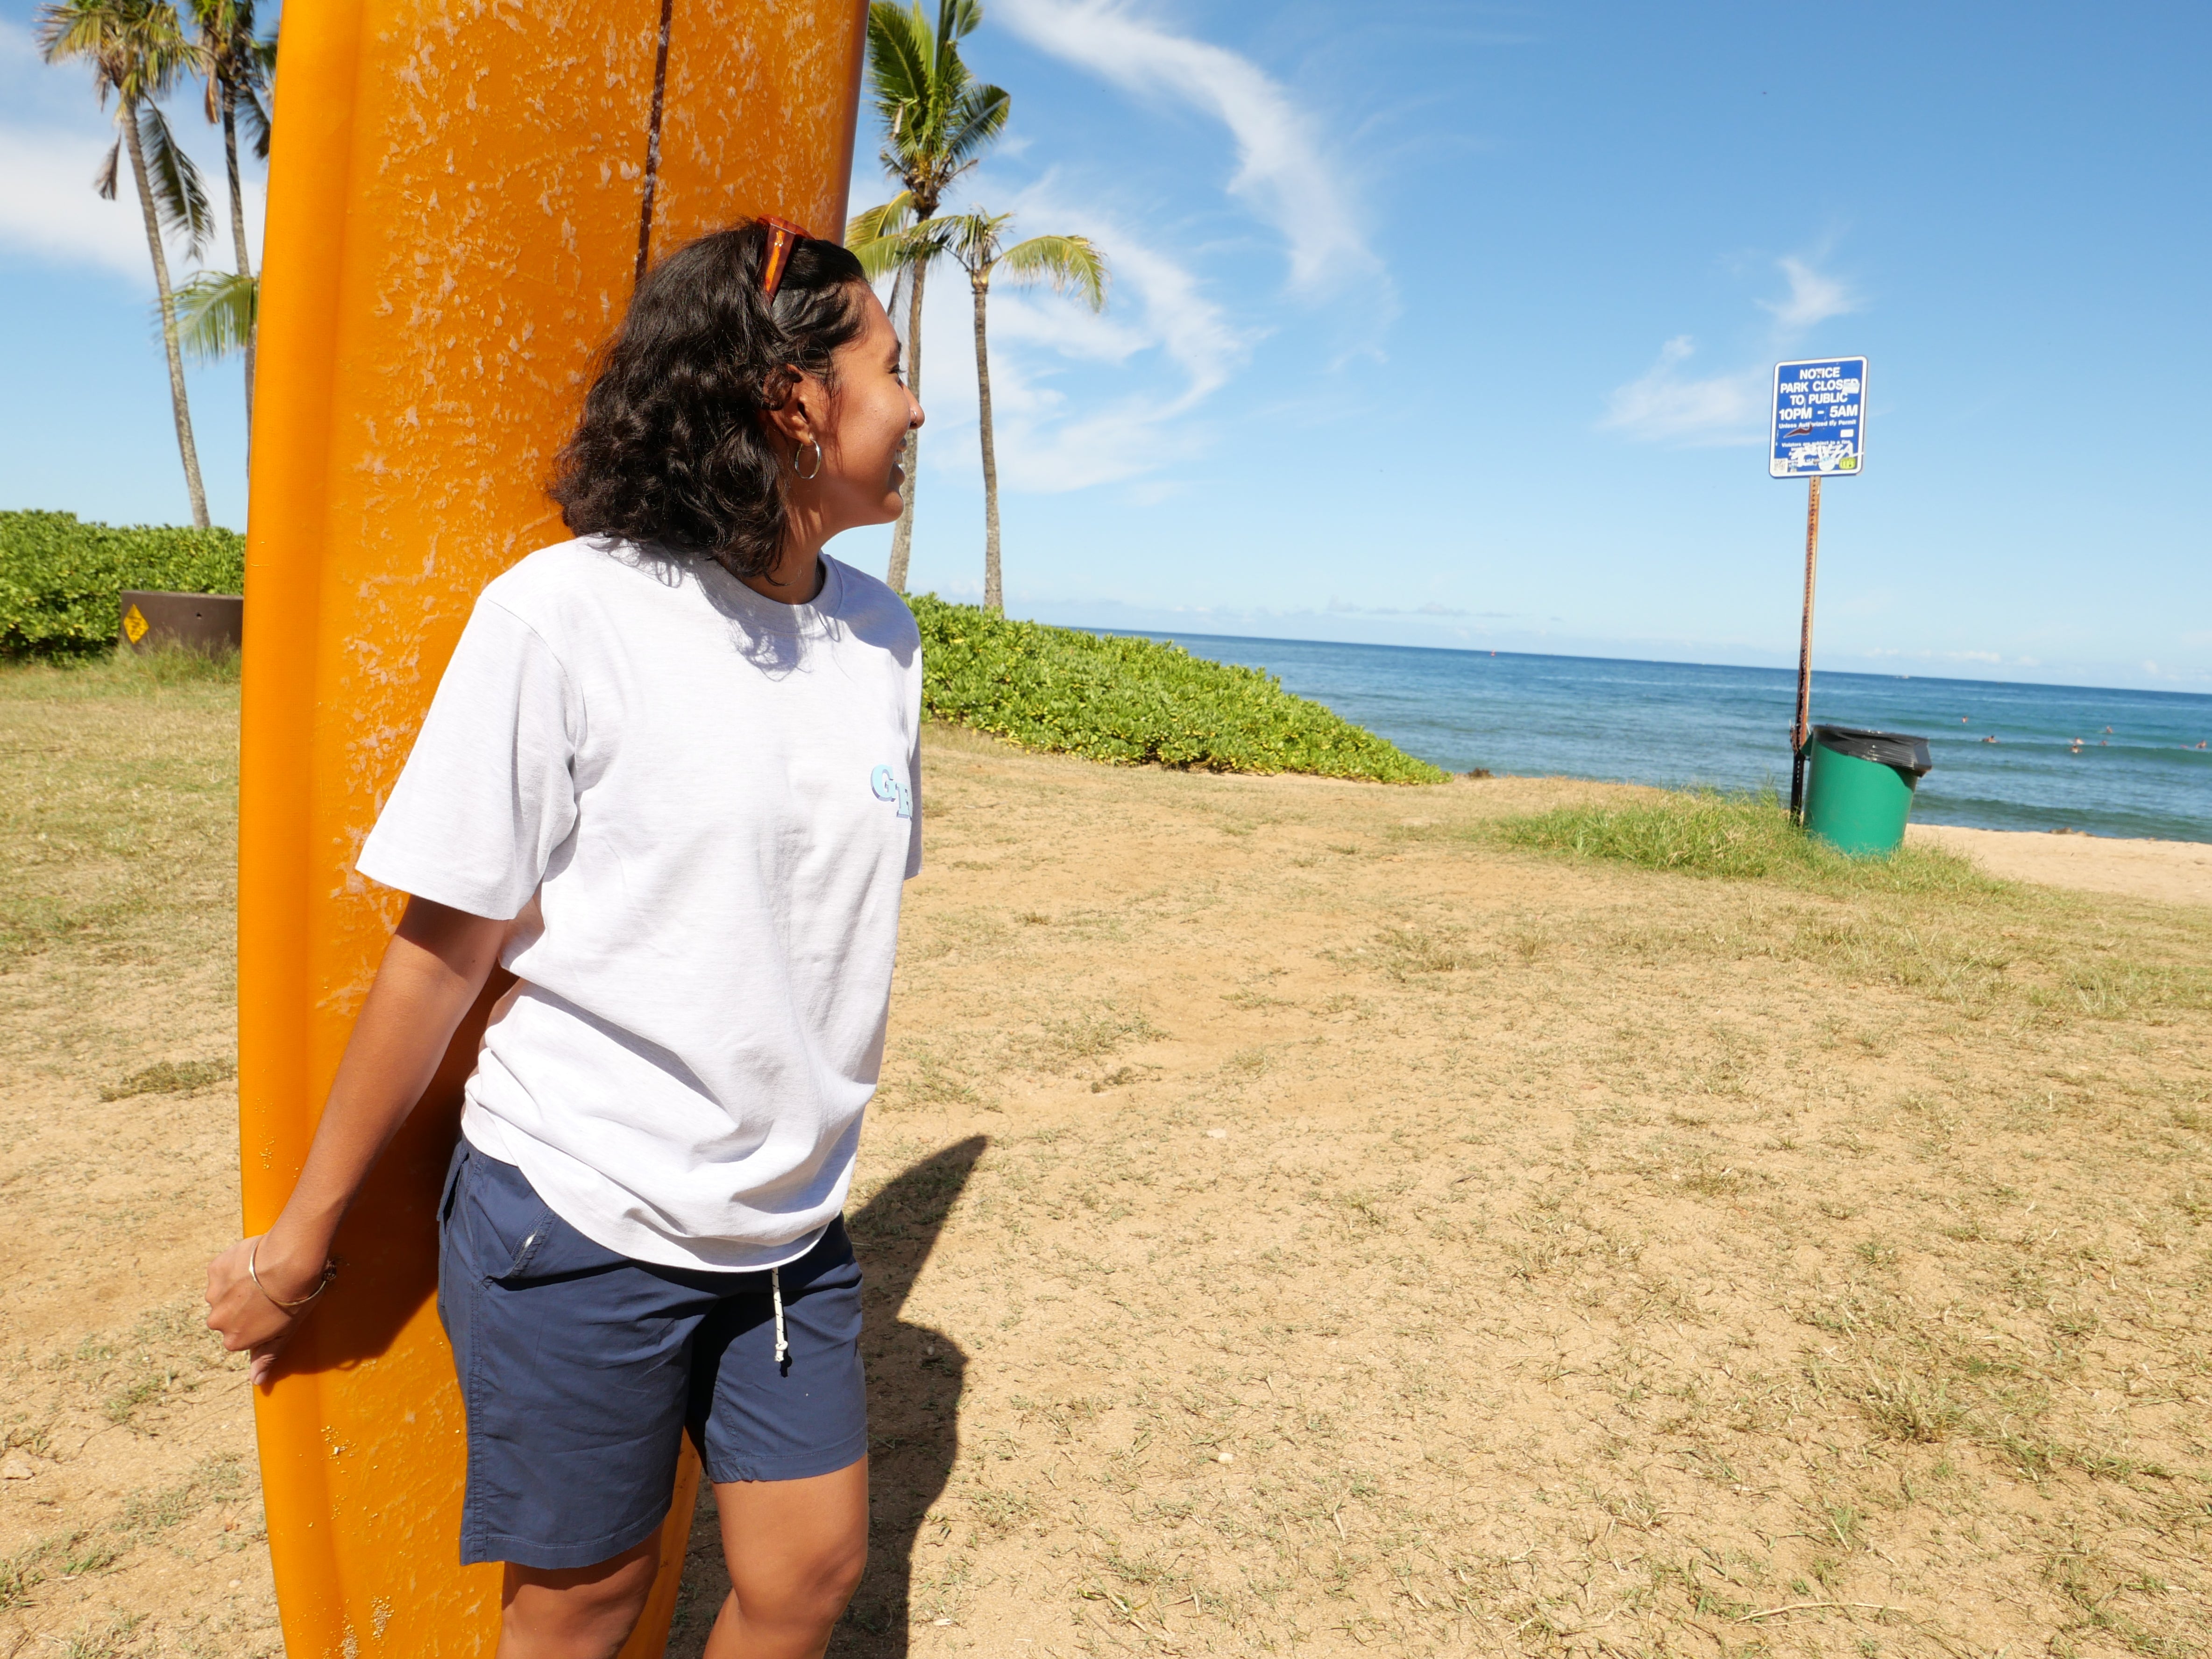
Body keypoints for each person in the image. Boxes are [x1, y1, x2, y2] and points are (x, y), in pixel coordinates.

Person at [204, 219, 926, 1659]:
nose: (913, 406)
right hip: (585, 1208)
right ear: (792, 402)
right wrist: (305, 1234)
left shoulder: (884, 638)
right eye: (890, 369)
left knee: (807, 1575)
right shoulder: (567, 615)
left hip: (787, 1222)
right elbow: (442, 950)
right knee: (585, 1608)